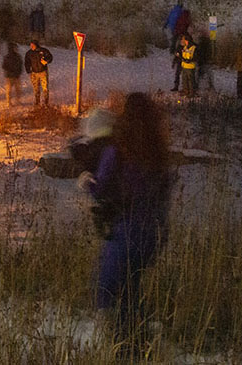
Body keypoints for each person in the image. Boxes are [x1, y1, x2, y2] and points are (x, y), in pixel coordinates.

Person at [81, 92, 172, 347]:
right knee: (130, 288)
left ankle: (124, 346)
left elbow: (101, 188)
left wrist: (88, 180)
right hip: (154, 232)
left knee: (107, 288)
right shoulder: (158, 153)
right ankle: (142, 337)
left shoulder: (118, 151)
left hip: (127, 231)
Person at [24, 40, 53, 107]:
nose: (31, 47)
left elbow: (50, 57)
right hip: (34, 73)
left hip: (43, 72)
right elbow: (26, 62)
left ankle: (46, 102)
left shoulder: (43, 51)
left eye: (33, 45)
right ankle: (37, 102)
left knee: (45, 87)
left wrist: (46, 60)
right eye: (30, 45)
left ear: (36, 45)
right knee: (36, 88)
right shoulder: (29, 53)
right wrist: (28, 71)